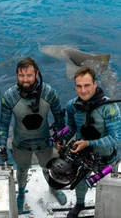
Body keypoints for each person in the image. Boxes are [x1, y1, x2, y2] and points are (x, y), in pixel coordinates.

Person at [0, 57, 66, 214]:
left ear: (37, 74)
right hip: (20, 144)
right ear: (16, 75)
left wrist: (61, 139)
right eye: (21, 76)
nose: (25, 80)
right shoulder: (9, 96)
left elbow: (60, 118)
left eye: (29, 75)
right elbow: (3, 124)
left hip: (44, 143)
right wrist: (2, 143)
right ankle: (21, 193)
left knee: (47, 167)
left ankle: (53, 189)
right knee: (22, 170)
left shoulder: (49, 93)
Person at [56, 66, 121, 218]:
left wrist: (88, 143)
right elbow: (70, 128)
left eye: (87, 85)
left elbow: (115, 139)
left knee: (107, 188)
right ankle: (80, 203)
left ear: (95, 84)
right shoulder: (72, 105)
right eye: (79, 86)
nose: (83, 90)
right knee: (80, 184)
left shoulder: (110, 108)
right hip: (82, 156)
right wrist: (63, 138)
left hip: (106, 159)